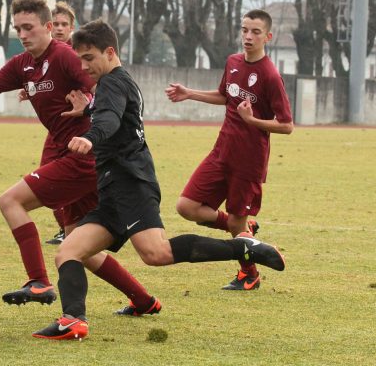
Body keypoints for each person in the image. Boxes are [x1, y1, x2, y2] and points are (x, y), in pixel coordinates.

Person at [32, 19, 286, 341]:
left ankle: (243, 247)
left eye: (89, 58)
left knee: (157, 254)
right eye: (80, 59)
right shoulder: (118, 82)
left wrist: (91, 137)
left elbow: (109, 122)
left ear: (110, 52)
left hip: (131, 183)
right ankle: (73, 320)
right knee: (68, 252)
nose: (84, 66)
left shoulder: (112, 83)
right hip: (113, 188)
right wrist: (87, 112)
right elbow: (113, 117)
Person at [0, 0, 161, 316]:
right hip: (73, 158)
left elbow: (107, 91)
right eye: (18, 29)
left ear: (48, 26)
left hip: (83, 156)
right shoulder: (21, 66)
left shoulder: (66, 57)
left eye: (29, 27)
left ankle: (38, 281)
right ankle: (144, 300)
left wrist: (89, 106)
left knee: (10, 202)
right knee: (77, 247)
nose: (23, 35)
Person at [165, 9, 294, 290]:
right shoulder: (233, 62)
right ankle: (244, 231)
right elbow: (226, 96)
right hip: (221, 151)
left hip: (249, 162)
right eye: (245, 30)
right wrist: (190, 93)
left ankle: (250, 274)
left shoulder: (270, 75)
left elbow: (286, 125)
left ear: (267, 37)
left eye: (255, 32)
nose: (248, 36)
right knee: (186, 207)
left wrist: (252, 121)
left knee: (238, 221)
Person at [44, 1, 77, 245]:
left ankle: (73, 230)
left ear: (72, 27)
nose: (59, 28)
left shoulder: (78, 52)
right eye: (55, 24)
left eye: (64, 24)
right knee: (46, 180)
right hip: (57, 130)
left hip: (80, 128)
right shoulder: (45, 53)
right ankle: (66, 229)